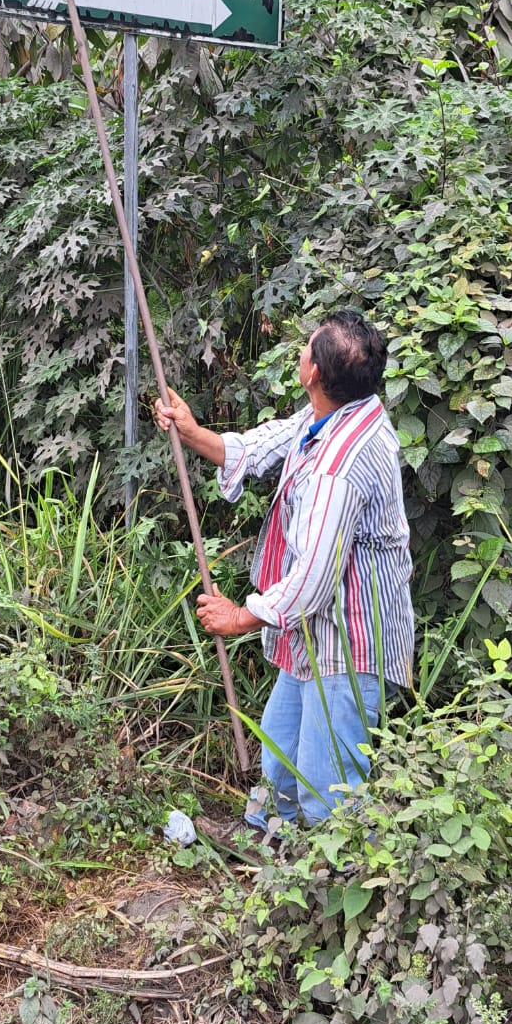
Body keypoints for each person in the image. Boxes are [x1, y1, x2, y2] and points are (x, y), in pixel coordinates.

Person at [155, 309, 414, 830]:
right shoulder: (337, 412)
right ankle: (269, 850)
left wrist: (238, 617)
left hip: (350, 645)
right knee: (279, 765)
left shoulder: (338, 468)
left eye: (307, 346)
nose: (301, 351)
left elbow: (312, 580)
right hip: (312, 636)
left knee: (327, 792)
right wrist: (192, 431)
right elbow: (259, 447)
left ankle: (333, 875)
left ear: (314, 372)